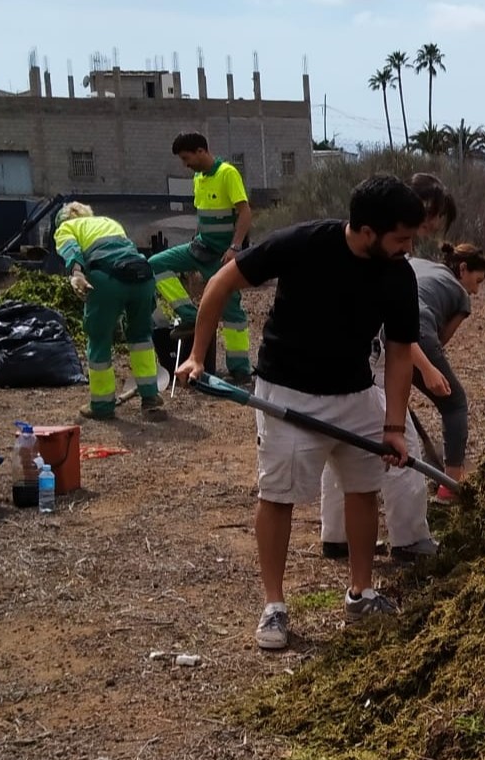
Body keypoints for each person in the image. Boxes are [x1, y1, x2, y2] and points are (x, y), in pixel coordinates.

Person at [174, 174, 425, 651]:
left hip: (355, 393)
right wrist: (196, 355)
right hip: (288, 393)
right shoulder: (303, 243)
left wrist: (394, 424)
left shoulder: (398, 274)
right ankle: (275, 605)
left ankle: (361, 592)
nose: (407, 247)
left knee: (364, 488)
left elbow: (398, 352)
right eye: (400, 238)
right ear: (368, 231)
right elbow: (221, 282)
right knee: (279, 495)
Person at [319, 241, 485, 561]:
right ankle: (423, 522)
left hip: (360, 342)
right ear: (463, 270)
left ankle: (337, 537)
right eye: (477, 281)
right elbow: (430, 339)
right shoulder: (460, 296)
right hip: (397, 343)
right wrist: (426, 369)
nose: (476, 291)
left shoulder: (414, 263)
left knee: (347, 439)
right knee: (430, 423)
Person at [151, 131, 253, 380]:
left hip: (223, 256)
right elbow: (203, 216)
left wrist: (235, 247)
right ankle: (189, 315)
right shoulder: (198, 177)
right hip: (200, 248)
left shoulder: (227, 173)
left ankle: (240, 370)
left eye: (187, 158)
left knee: (231, 311)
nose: (185, 164)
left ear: (201, 151)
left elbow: (245, 212)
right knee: (154, 265)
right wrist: (195, 240)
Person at [52, 202, 164, 421]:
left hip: (106, 280)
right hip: (142, 277)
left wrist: (77, 274)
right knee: (141, 337)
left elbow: (71, 251)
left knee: (99, 338)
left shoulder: (66, 228)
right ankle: (150, 398)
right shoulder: (108, 222)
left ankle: (102, 405)